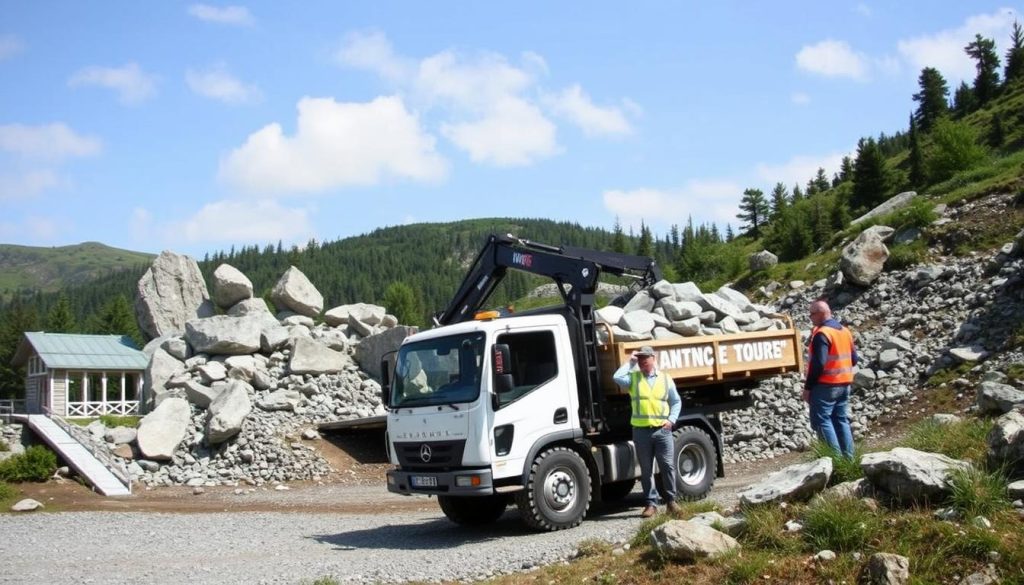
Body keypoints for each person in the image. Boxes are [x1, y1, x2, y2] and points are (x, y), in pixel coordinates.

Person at [614, 345, 682, 518]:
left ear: (654, 358)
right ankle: (651, 504)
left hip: (662, 431)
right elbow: (616, 377)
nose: (643, 360)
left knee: (667, 466)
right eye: (640, 358)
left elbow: (676, 401)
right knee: (646, 469)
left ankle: (671, 501)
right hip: (641, 432)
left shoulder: (666, 379)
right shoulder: (633, 378)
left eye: (646, 357)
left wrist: (671, 420)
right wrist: (630, 362)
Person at [803, 300, 858, 459]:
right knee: (841, 420)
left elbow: (818, 364)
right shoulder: (844, 331)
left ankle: (835, 461)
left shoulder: (822, 334)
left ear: (821, 313)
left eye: (812, 314)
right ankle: (849, 460)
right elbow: (854, 359)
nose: (810, 317)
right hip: (844, 384)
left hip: (826, 386)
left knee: (822, 421)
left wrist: (808, 388)